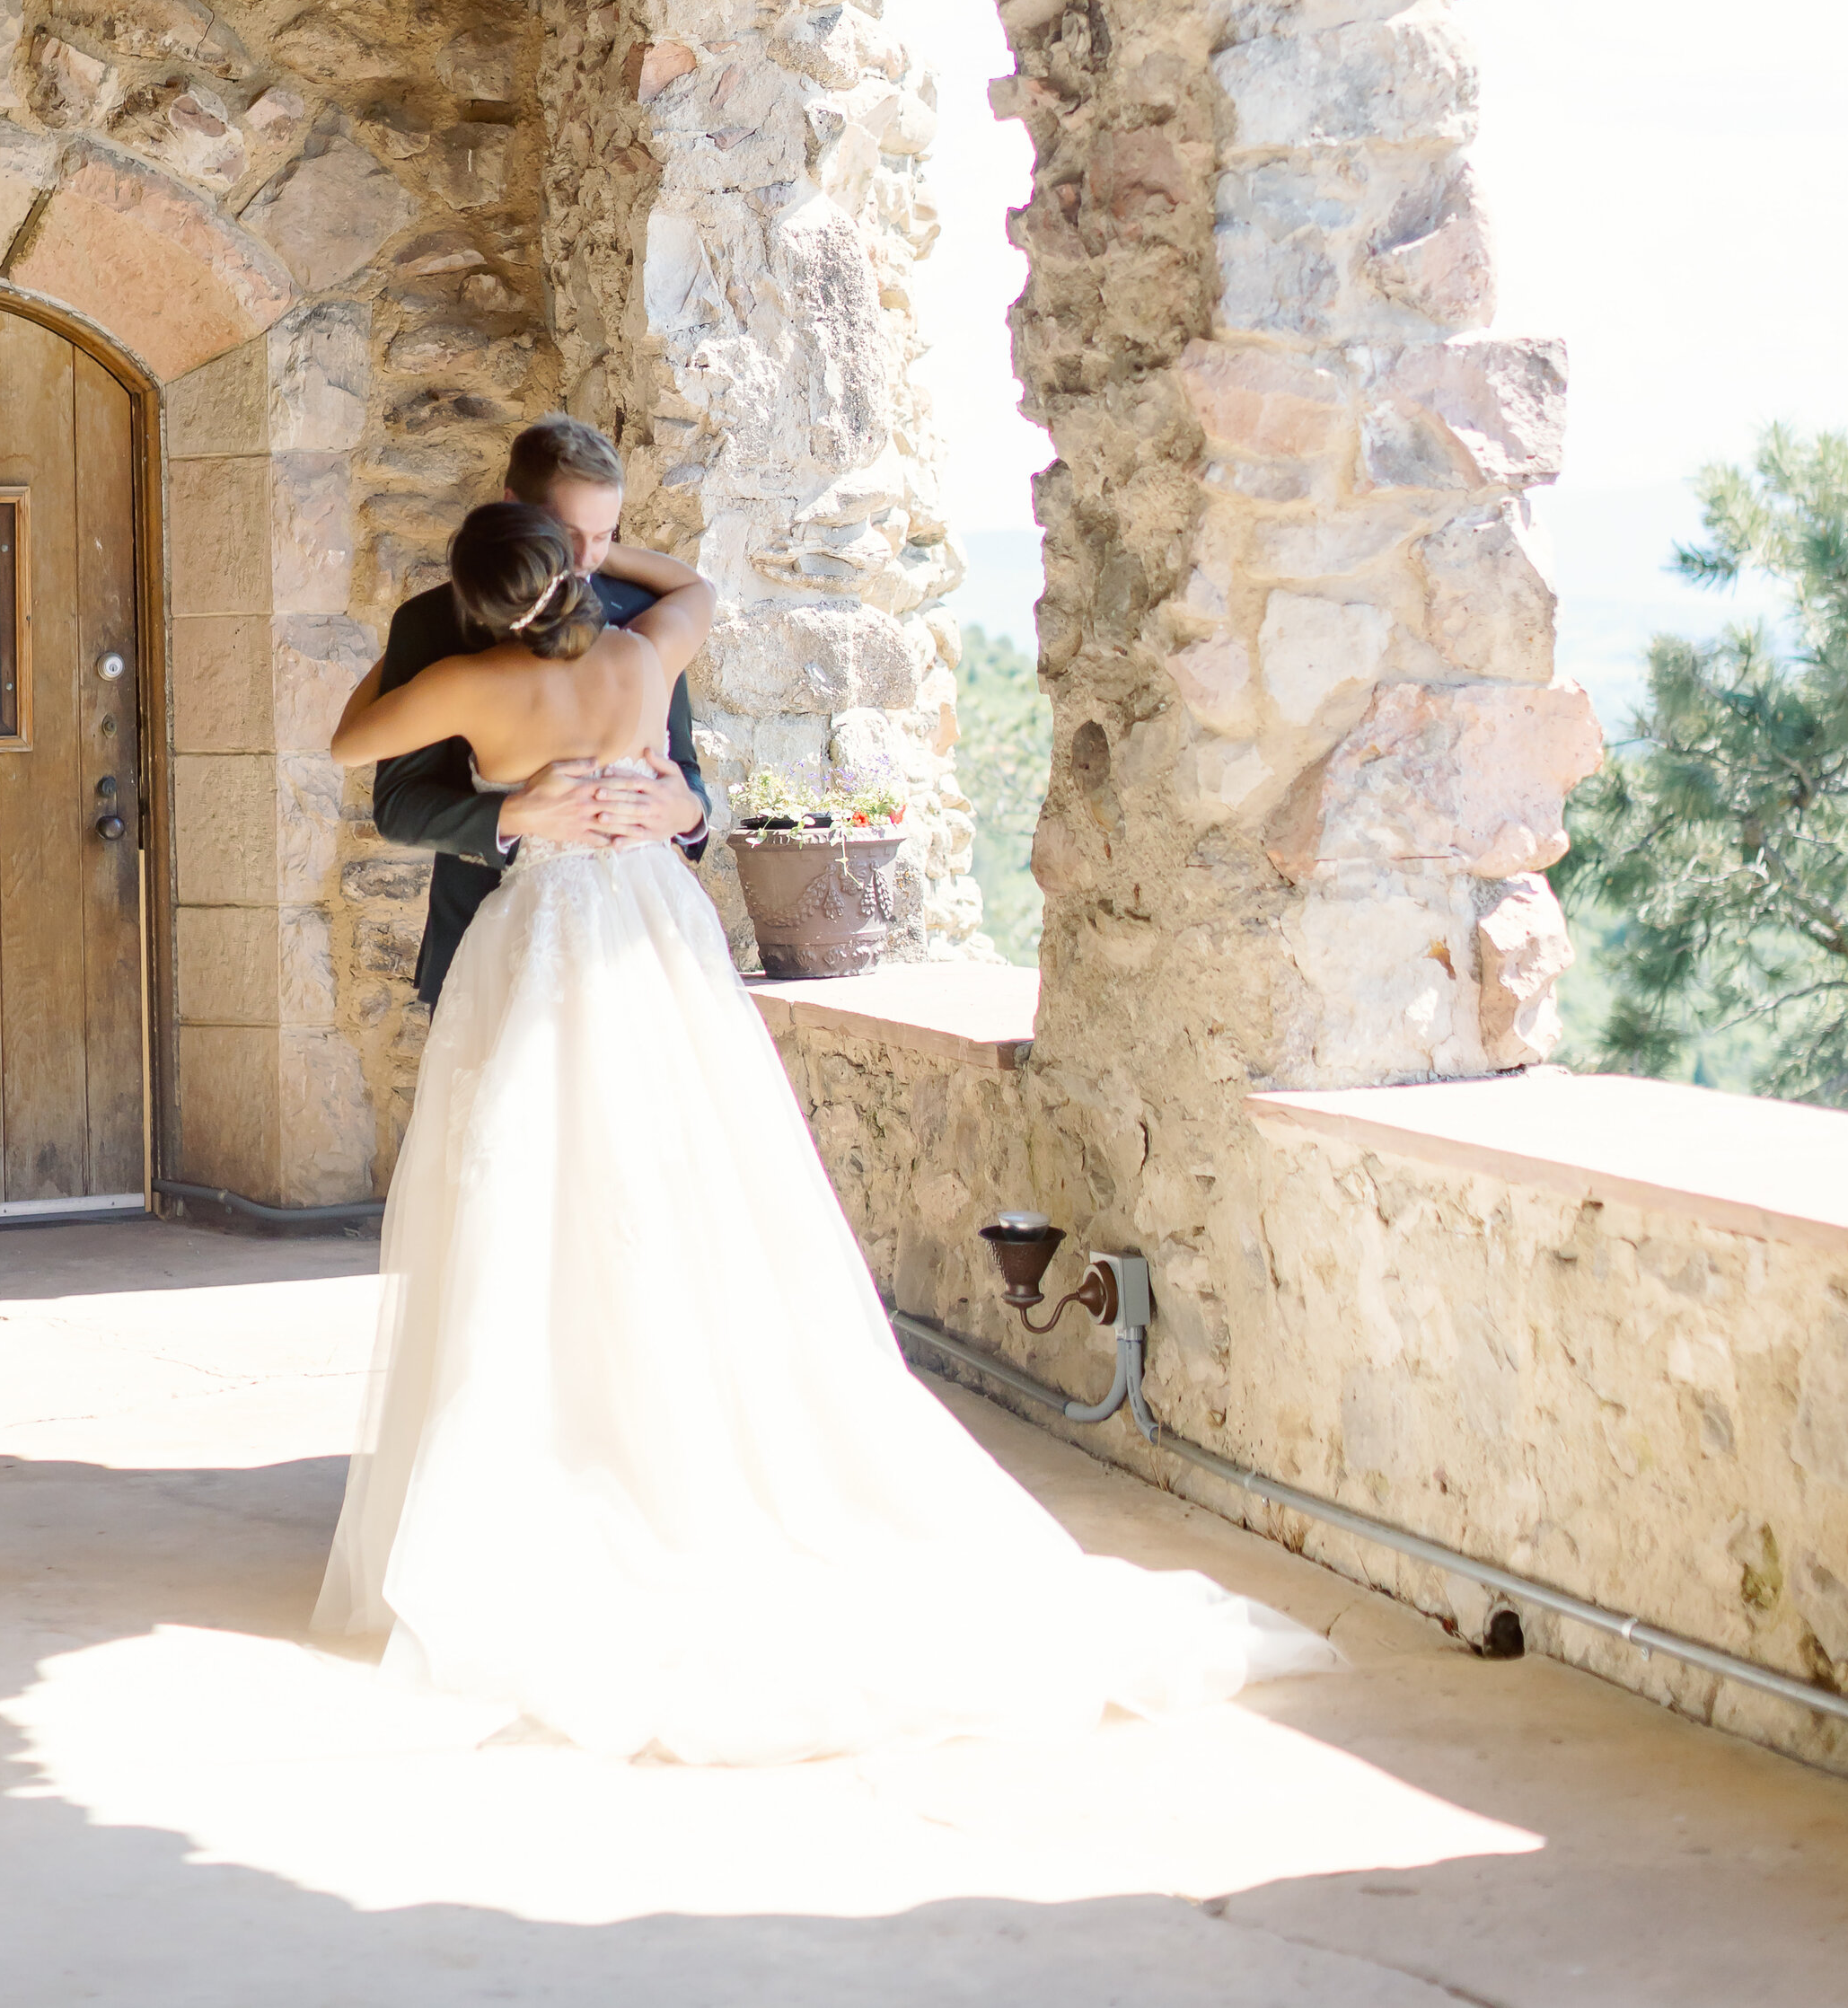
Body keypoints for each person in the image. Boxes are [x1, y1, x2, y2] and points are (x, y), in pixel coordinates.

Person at [311, 500, 1328, 1765]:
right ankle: (668, 1449)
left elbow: (355, 734)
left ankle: (582, 1459)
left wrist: (470, 686)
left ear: (471, 597)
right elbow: (696, 594)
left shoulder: (463, 673)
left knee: (538, 1197)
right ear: (572, 565)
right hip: (652, 932)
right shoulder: (642, 657)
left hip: (544, 939)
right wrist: (602, 563)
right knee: (685, 1188)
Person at [371, 415, 708, 1009]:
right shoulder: (432, 625)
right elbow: (397, 805)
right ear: (512, 507)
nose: (584, 560)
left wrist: (688, 814)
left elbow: (682, 765)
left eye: (604, 536)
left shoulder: (639, 615)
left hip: (640, 959)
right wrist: (511, 814)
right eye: (567, 532)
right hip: (484, 953)